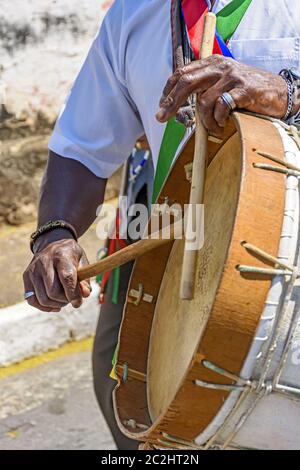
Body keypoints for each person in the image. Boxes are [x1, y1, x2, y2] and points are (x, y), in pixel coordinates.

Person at [23, 0, 300, 450]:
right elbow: (80, 148)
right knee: (130, 397)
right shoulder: (133, 15)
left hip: (289, 260)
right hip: (183, 258)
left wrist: (289, 94)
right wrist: (55, 234)